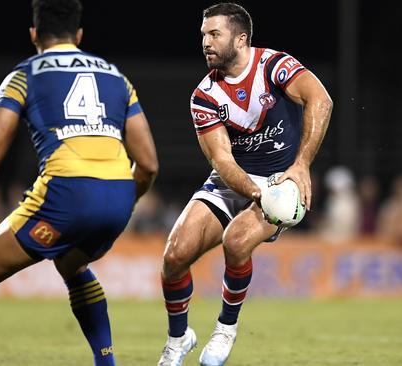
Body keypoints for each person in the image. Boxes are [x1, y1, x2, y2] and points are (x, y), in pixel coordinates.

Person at [0, 0, 158, 365]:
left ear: (33, 34)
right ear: (78, 35)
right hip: (119, 194)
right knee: (72, 264)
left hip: (66, 194)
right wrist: (119, 204)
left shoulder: (24, 75)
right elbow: (149, 164)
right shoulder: (115, 76)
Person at [157, 3, 332, 365]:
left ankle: (225, 327)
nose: (205, 42)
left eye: (214, 34)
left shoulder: (274, 66)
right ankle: (179, 339)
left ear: (241, 38)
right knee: (174, 255)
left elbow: (321, 100)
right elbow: (222, 161)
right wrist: (257, 194)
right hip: (233, 181)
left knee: (236, 242)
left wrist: (300, 166)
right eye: (203, 35)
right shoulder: (204, 96)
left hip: (283, 180)